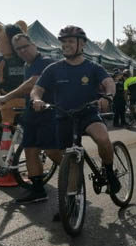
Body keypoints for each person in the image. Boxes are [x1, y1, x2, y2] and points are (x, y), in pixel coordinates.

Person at [31, 25, 120, 195]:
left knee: (102, 138)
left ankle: (109, 171)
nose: (66, 45)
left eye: (71, 41)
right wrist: (37, 99)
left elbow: (109, 82)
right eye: (63, 42)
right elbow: (37, 89)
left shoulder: (93, 67)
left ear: (82, 44)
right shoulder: (53, 69)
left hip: (88, 114)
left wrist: (108, 96)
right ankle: (71, 202)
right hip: (63, 116)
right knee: (66, 157)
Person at [0, 33, 62, 203]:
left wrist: (6, 97)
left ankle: (72, 168)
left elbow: (33, 83)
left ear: (34, 45)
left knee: (51, 150)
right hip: (31, 114)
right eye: (18, 49)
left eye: (25, 46)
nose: (22, 51)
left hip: (48, 113)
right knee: (30, 151)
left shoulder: (45, 61)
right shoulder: (26, 66)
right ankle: (38, 190)